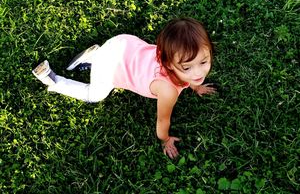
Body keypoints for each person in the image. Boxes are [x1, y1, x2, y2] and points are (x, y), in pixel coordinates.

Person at [32, 17, 216, 159]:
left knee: (185, 72)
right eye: (187, 67)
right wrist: (165, 139)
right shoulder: (167, 91)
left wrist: (195, 86)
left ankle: (97, 54)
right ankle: (54, 80)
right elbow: (162, 122)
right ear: (168, 64)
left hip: (123, 43)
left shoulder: (174, 58)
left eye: (204, 61)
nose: (198, 72)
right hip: (110, 65)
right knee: (94, 95)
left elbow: (188, 74)